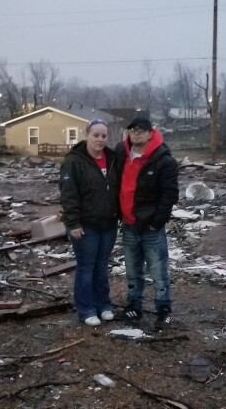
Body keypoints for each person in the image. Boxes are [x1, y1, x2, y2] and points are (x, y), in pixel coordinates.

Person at [112, 116, 179, 329]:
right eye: (132, 129)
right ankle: (134, 306)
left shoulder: (163, 160)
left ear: (151, 133)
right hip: (129, 225)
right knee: (132, 270)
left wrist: (156, 221)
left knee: (158, 270)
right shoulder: (122, 152)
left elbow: (169, 195)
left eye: (141, 130)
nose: (136, 133)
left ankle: (163, 309)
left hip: (151, 227)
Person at [59, 119, 119, 326]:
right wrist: (73, 222)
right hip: (85, 225)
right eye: (96, 135)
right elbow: (68, 195)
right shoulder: (74, 161)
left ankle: (104, 305)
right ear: (87, 135)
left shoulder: (112, 158)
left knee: (102, 266)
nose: (100, 139)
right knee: (86, 267)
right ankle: (86, 309)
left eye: (104, 136)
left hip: (108, 224)